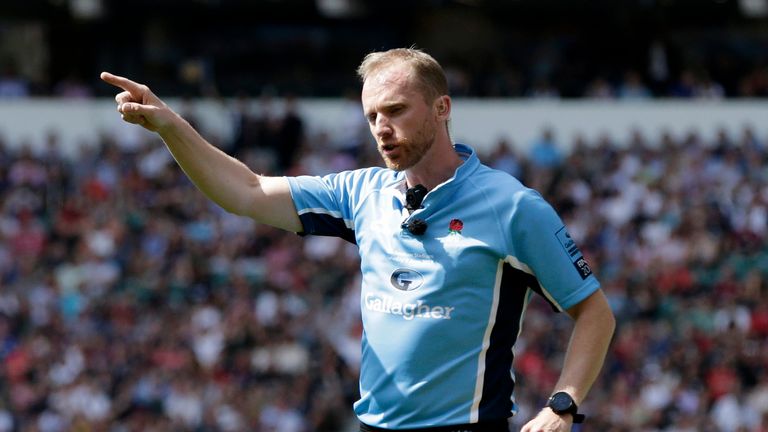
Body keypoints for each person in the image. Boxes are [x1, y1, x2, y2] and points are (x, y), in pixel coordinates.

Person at [101, 47, 615, 432]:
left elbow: (594, 313)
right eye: (372, 116)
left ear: (442, 107)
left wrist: (562, 405)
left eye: (395, 110)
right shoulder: (361, 192)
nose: (381, 128)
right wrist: (170, 127)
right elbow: (247, 190)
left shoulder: (512, 207)